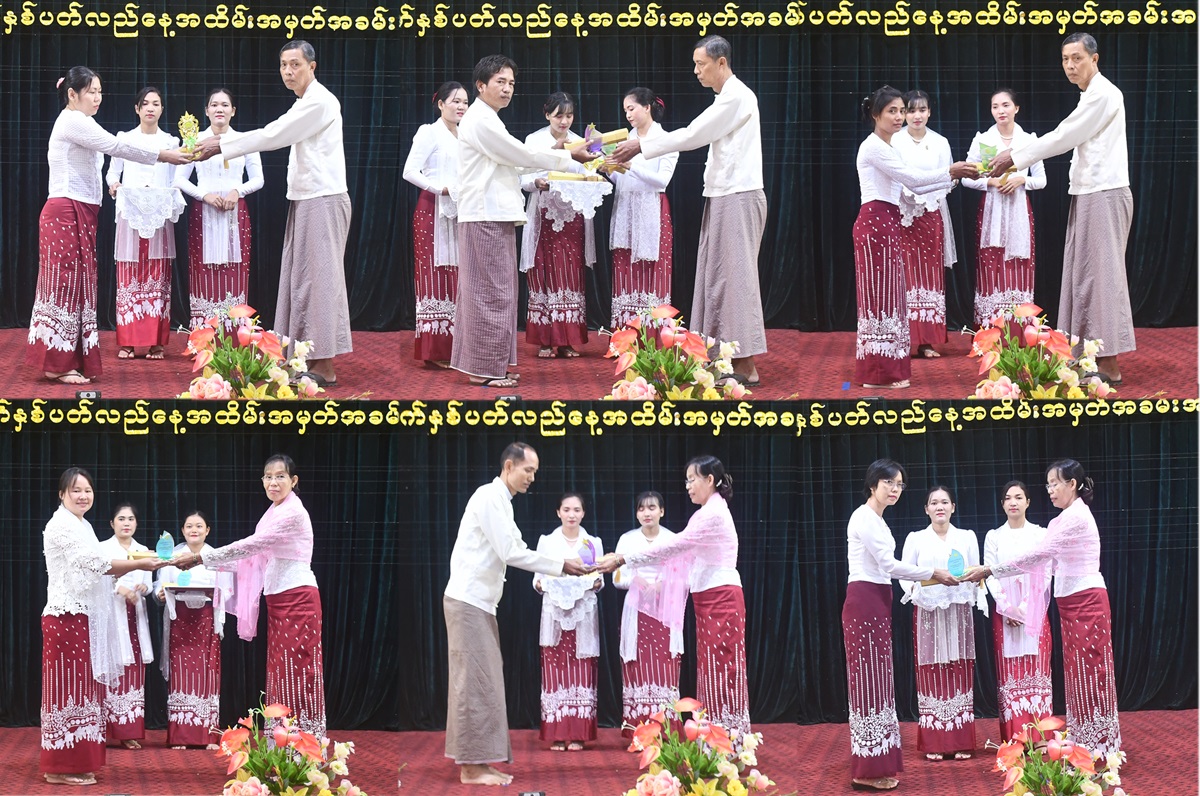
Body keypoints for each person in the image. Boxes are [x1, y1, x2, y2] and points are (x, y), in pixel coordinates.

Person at [193, 40, 353, 388]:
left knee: (319, 283)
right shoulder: (304, 102)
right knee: (302, 281)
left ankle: (324, 365)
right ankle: (304, 358)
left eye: (295, 64)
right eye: (283, 65)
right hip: (307, 199)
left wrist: (221, 144)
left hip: (323, 199)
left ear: (312, 66)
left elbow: (275, 134)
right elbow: (279, 130)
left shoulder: (320, 101)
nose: (288, 71)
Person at [609, 36, 765, 386]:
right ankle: (722, 357)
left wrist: (641, 145)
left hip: (738, 195)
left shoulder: (737, 97)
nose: (696, 71)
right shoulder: (726, 98)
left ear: (721, 62)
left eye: (701, 64)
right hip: (724, 195)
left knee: (735, 281)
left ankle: (745, 364)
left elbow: (694, 133)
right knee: (717, 279)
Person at [26, 67, 190, 385]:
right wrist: (164, 155)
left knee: (78, 286)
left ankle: (68, 360)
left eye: (100, 91)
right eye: (91, 91)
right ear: (72, 94)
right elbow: (117, 147)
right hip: (65, 210)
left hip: (80, 211)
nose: (98, 97)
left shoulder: (84, 121)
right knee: (65, 285)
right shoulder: (72, 121)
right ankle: (56, 364)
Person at [987, 32, 1134, 385]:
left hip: (1104, 193)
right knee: (1084, 277)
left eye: (1077, 58)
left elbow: (1064, 135)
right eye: (1065, 59)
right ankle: (1089, 356)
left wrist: (1015, 156)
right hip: (1088, 192)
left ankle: (1109, 364)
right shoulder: (1090, 95)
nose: (1070, 65)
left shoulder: (1104, 94)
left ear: (1094, 59)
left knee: (1101, 278)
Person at [443, 442, 590, 785]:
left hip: (479, 603)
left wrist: (561, 565)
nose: (532, 478)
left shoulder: (501, 501)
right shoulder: (488, 497)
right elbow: (511, 551)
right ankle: (471, 768)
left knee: (485, 682)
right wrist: (561, 565)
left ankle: (480, 761)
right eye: (528, 470)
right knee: (474, 683)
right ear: (509, 466)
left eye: (535, 472)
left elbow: (516, 547)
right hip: (468, 601)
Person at [450, 55, 594, 389]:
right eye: (500, 82)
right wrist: (567, 154)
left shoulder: (488, 118)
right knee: (490, 294)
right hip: (484, 214)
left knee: (496, 292)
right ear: (481, 85)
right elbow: (520, 155)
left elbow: (516, 164)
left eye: (511, 83)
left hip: (493, 214)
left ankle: (490, 365)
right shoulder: (481, 120)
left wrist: (559, 152)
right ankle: (485, 369)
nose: (507, 89)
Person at [965, 460, 1122, 757]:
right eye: (1048, 484)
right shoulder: (1061, 519)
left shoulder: (1076, 516)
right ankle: (1083, 746)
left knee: (1092, 673)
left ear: (1072, 484)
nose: (1050, 490)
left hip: (1086, 601)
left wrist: (989, 570)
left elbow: (1038, 556)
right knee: (1077, 676)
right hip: (1070, 604)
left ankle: (1100, 749)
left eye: (1054, 483)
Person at [173, 454, 326, 738]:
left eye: (280, 476)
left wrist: (199, 558)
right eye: (268, 477)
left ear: (293, 480)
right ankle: (281, 745)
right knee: (281, 673)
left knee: (298, 672)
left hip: (298, 599)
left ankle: (303, 746)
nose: (273, 482)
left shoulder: (293, 513)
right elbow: (251, 561)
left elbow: (252, 546)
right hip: (278, 601)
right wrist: (202, 560)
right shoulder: (272, 513)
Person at [596, 455, 750, 736]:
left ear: (709, 480)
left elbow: (673, 547)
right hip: (709, 598)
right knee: (712, 670)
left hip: (720, 597)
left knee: (722, 669)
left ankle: (728, 740)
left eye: (692, 480)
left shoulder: (712, 514)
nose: (688, 486)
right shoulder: (706, 512)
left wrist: (622, 559)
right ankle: (715, 740)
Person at [40, 467, 167, 786]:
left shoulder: (82, 525)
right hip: (65, 617)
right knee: (69, 691)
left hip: (80, 617)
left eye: (88, 490)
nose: (83, 496)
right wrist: (140, 563)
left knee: (83, 690)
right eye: (75, 490)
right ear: (61, 494)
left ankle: (75, 762)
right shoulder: (62, 525)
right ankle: (60, 766)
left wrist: (140, 564)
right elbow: (97, 565)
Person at [842, 460, 957, 791]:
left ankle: (876, 762)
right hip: (865, 598)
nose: (894, 489)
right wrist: (933, 573)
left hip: (877, 598)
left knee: (878, 680)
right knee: (869, 682)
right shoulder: (864, 517)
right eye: (888, 483)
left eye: (899, 484)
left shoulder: (877, 519)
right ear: (873, 484)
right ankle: (865, 771)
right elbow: (889, 565)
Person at [852, 86, 977, 389]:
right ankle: (877, 374)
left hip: (887, 222)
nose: (899, 117)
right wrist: (952, 171)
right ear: (875, 115)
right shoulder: (874, 147)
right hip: (876, 223)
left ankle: (886, 370)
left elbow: (918, 186)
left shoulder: (889, 146)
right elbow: (913, 179)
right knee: (880, 299)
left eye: (901, 110)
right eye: (892, 111)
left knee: (890, 298)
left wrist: (953, 174)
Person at [898, 486, 983, 760]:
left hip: (958, 613)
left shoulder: (967, 537)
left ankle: (961, 741)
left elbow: (976, 571)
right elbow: (905, 574)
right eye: (933, 503)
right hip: (928, 613)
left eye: (944, 502)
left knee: (959, 667)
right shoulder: (916, 539)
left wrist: (967, 583)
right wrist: (917, 591)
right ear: (926, 509)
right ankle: (936, 743)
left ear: (953, 507)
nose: (939, 507)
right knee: (931, 669)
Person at [173, 88, 265, 331]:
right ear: (206, 111)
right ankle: (203, 335)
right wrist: (204, 195)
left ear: (233, 111)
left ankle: (235, 335)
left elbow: (258, 179)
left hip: (236, 212)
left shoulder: (246, 140)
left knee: (235, 270)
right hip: (203, 212)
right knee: (202, 270)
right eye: (214, 105)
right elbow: (179, 179)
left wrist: (238, 191)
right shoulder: (194, 140)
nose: (219, 109)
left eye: (225, 105)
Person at [106, 86, 182, 361]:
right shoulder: (124, 139)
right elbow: (112, 173)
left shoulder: (171, 142)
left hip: (159, 214)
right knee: (129, 271)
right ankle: (128, 341)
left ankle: (155, 342)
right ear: (137, 109)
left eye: (156, 103)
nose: (151, 108)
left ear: (162, 109)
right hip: (131, 213)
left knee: (157, 273)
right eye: (146, 103)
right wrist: (114, 185)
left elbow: (176, 178)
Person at [961, 90, 1047, 326]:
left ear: (1016, 108)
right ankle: (990, 332)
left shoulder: (1029, 140)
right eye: (995, 106)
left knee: (1019, 265)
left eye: (1006, 105)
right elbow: (966, 178)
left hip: (1019, 212)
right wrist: (990, 182)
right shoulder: (983, 139)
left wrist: (1022, 180)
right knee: (991, 264)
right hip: (992, 211)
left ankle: (1020, 331)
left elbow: (1042, 180)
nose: (1000, 111)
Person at [520, 92, 592, 359]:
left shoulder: (580, 141)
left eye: (569, 115)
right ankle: (545, 340)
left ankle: (568, 339)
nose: (564, 121)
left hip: (571, 216)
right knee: (542, 270)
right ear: (547, 114)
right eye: (559, 115)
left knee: (570, 272)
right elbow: (522, 177)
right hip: (543, 215)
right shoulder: (534, 141)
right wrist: (536, 182)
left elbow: (589, 173)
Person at [403, 81, 468, 367]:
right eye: (455, 101)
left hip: (461, 210)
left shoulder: (467, 135)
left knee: (458, 273)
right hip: (433, 209)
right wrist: (438, 188)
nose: (461, 107)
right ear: (440, 104)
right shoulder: (429, 132)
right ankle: (435, 350)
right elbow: (409, 171)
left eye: (465, 102)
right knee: (435, 274)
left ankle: (458, 346)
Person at [155, 510, 233, 749]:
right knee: (181, 672)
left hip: (206, 620)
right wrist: (160, 593)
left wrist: (217, 595)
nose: (194, 530)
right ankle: (180, 736)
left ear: (207, 530)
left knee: (207, 673)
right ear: (182, 530)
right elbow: (160, 586)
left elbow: (227, 590)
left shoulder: (215, 556)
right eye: (189, 526)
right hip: (180, 620)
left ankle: (208, 736)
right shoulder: (172, 556)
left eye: (199, 526)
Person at [532, 493, 604, 750]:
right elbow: (537, 579)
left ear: (583, 513)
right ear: (558, 512)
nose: (571, 514)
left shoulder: (592, 542)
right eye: (566, 509)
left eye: (576, 510)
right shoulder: (547, 541)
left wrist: (589, 583)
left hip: (583, 614)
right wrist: (551, 585)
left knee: (581, 667)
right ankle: (557, 733)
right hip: (554, 615)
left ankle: (578, 733)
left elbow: (599, 580)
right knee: (555, 668)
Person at [982, 481, 1051, 742]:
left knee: (1036, 669)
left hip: (1034, 611)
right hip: (1004, 613)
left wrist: (1023, 609)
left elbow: (1045, 572)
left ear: (1028, 502)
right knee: (1010, 671)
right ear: (1002, 504)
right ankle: (1015, 739)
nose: (1013, 502)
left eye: (1019, 497)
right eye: (1008, 498)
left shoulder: (1040, 534)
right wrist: (1007, 608)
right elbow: (988, 573)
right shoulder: (994, 536)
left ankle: (1040, 738)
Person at [607, 88, 679, 329]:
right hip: (626, 211)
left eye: (632, 108)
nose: (628, 114)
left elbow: (662, 181)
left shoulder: (665, 140)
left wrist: (630, 165)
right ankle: (625, 336)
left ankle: (654, 336)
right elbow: (621, 180)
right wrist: (609, 170)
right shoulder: (623, 140)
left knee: (653, 270)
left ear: (647, 107)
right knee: (625, 268)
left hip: (653, 211)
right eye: (625, 110)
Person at [891, 91, 956, 358]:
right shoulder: (894, 140)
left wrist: (924, 193)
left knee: (928, 275)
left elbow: (949, 177)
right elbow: (892, 176)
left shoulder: (940, 142)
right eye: (911, 110)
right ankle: (901, 338)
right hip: (902, 214)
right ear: (903, 113)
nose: (916, 116)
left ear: (929, 112)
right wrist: (908, 194)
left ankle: (926, 341)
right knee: (903, 274)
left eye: (922, 110)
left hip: (929, 213)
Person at [612, 490, 681, 733]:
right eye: (641, 509)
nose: (646, 513)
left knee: (665, 665)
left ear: (662, 511)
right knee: (637, 665)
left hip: (665, 611)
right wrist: (635, 581)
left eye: (652, 508)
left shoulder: (673, 539)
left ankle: (666, 732)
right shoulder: (627, 539)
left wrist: (664, 584)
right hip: (636, 610)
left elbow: (685, 576)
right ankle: (638, 730)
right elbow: (616, 577)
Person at [98, 502, 154, 749]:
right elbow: (95, 581)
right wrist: (118, 588)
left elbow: (149, 585)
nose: (126, 523)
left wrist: (144, 587)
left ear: (136, 523)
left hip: (135, 615)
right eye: (121, 519)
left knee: (133, 670)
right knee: (112, 668)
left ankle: (128, 731)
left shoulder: (143, 551)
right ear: (112, 523)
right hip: (112, 616)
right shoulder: (102, 549)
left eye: (130, 519)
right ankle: (103, 729)